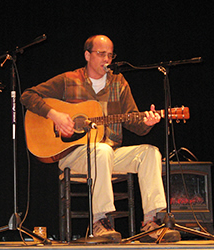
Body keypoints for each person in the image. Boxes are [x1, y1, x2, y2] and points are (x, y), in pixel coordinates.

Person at [20, 35, 180, 243]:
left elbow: (134, 122)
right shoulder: (69, 80)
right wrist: (55, 115)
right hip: (73, 156)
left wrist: (146, 123)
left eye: (110, 55)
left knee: (150, 152)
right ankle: (101, 221)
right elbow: (28, 96)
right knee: (101, 151)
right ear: (87, 55)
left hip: (110, 153)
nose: (106, 59)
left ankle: (152, 222)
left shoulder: (119, 83)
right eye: (101, 54)